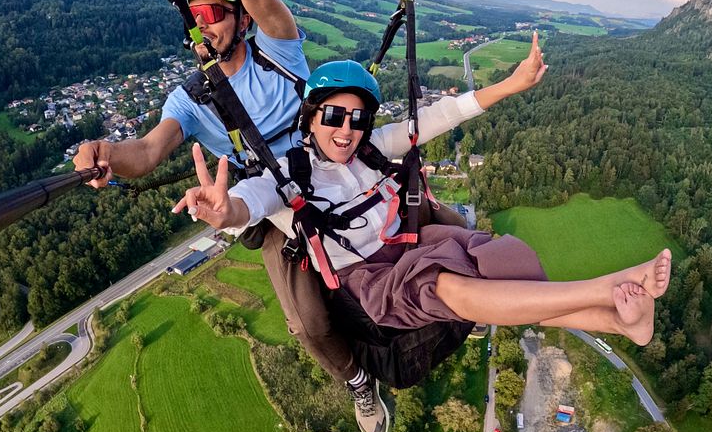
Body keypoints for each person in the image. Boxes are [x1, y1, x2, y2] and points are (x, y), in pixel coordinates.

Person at [72, 0, 392, 432]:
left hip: (325, 161)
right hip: (266, 197)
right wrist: (105, 153)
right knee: (308, 322)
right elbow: (148, 152)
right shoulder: (191, 97)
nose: (201, 27)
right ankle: (358, 379)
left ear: (240, 19)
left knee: (416, 225)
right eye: (192, 18)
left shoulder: (279, 51)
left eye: (213, 14)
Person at [174, 34, 673, 347]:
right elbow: (251, 202)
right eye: (332, 116)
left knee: (501, 265)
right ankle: (609, 285)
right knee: (449, 288)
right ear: (309, 118)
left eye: (357, 118)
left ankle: (624, 325)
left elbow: (439, 116)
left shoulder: (372, 148)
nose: (346, 130)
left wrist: (510, 86)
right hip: (366, 278)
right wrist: (226, 212)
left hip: (410, 246)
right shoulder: (287, 174)